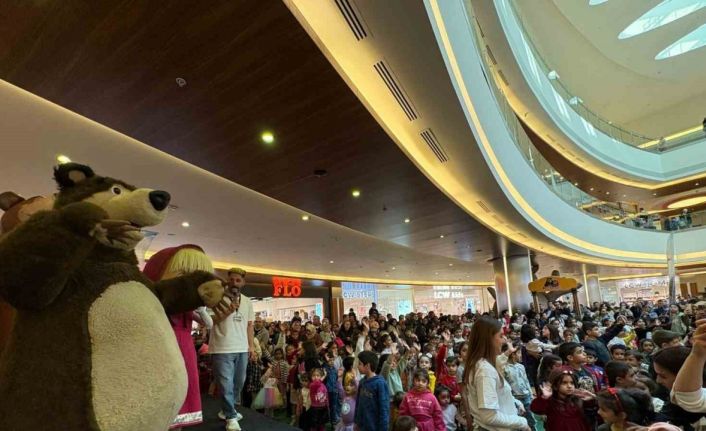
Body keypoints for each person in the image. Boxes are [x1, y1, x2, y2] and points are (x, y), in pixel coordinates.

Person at [142, 245, 217, 430]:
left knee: (184, 389)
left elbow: (209, 323)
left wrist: (201, 309)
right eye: (183, 273)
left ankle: (178, 425)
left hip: (185, 350)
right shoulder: (155, 304)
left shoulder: (188, 307)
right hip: (161, 348)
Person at [461, 316, 529, 431]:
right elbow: (489, 416)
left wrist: (514, 402)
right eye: (500, 336)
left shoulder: (483, 364)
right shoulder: (484, 369)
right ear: (488, 339)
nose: (504, 340)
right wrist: (522, 422)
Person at [208, 267, 256, 431]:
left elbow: (250, 325)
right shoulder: (216, 297)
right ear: (227, 280)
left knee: (239, 382)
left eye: (238, 280)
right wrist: (228, 310)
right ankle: (230, 416)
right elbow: (209, 321)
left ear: (243, 283)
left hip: (242, 348)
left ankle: (228, 410)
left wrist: (251, 346)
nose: (234, 283)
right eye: (231, 279)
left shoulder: (247, 301)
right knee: (225, 384)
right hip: (221, 348)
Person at [530, 369, 595, 431]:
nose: (569, 386)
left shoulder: (577, 400)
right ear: (555, 386)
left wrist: (592, 398)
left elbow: (590, 412)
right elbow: (535, 409)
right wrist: (544, 397)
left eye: (572, 383)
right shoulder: (551, 402)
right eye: (564, 383)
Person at [355, 351, 390, 431]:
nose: (357, 366)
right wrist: (356, 422)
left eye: (360, 364)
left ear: (367, 366)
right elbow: (358, 404)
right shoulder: (362, 382)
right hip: (362, 426)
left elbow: (384, 409)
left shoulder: (380, 384)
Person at [504, 343, 534, 431]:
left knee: (531, 420)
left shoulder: (521, 366)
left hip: (526, 396)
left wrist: (531, 394)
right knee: (518, 424)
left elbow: (526, 381)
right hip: (515, 399)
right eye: (519, 353)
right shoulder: (505, 368)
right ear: (513, 354)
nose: (521, 355)